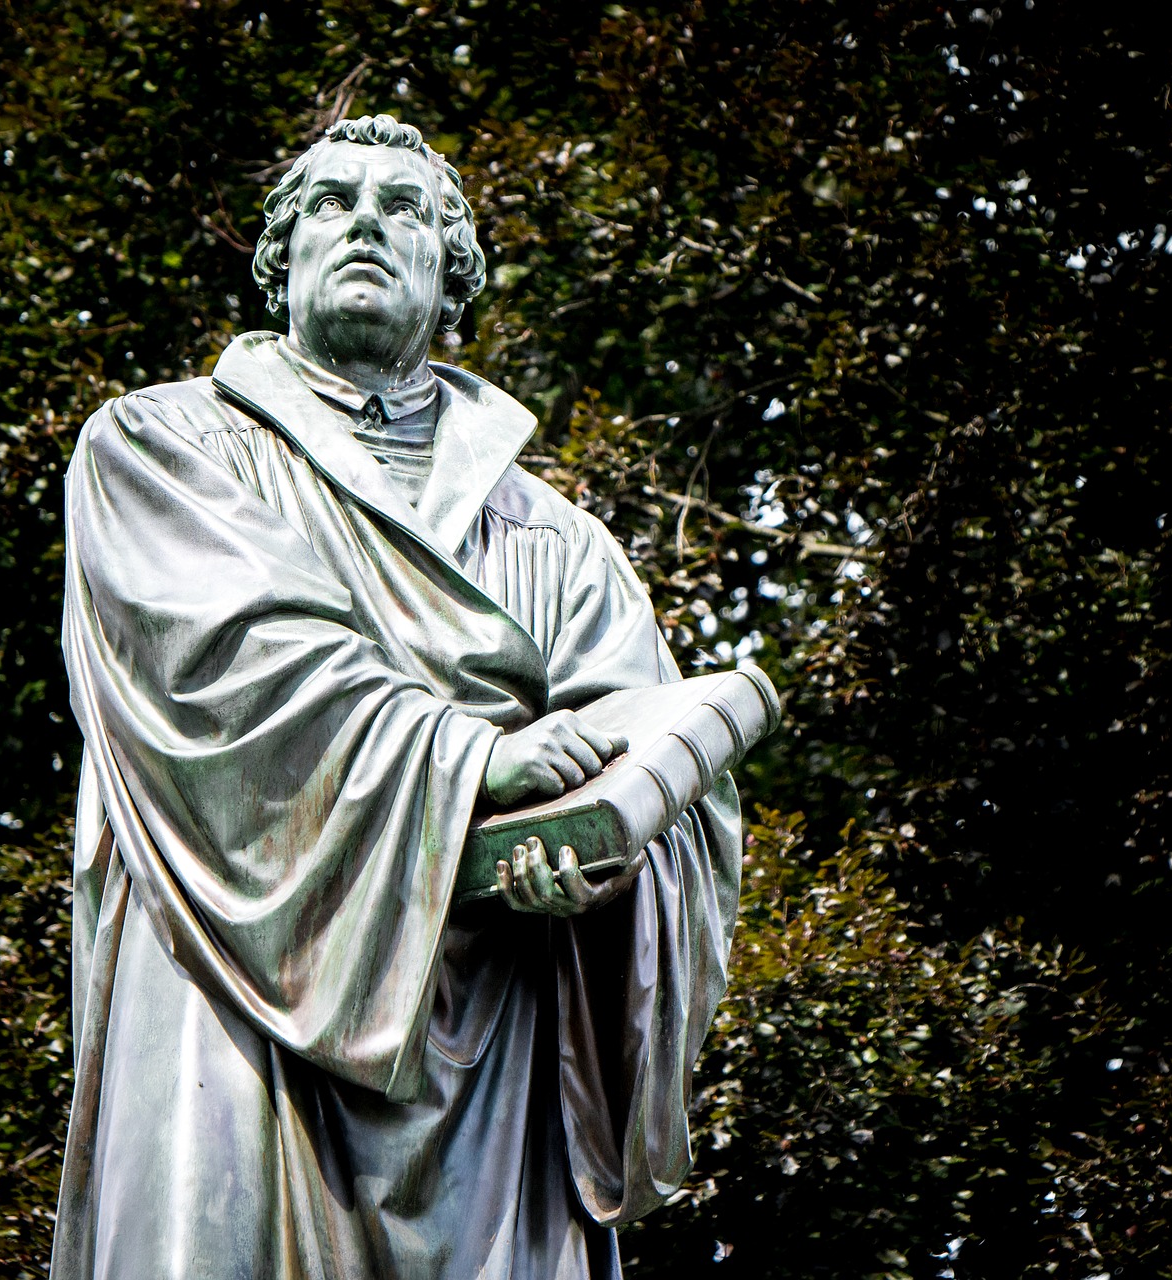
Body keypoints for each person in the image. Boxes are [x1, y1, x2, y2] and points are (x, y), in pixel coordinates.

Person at [51, 113, 741, 1280]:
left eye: (404, 207)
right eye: (330, 202)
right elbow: (225, 667)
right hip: (234, 999)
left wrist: (603, 863)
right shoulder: (156, 450)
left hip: (494, 1058)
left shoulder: (561, 543)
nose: (366, 220)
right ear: (280, 268)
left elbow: (668, 790)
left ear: (451, 276)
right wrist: (476, 760)